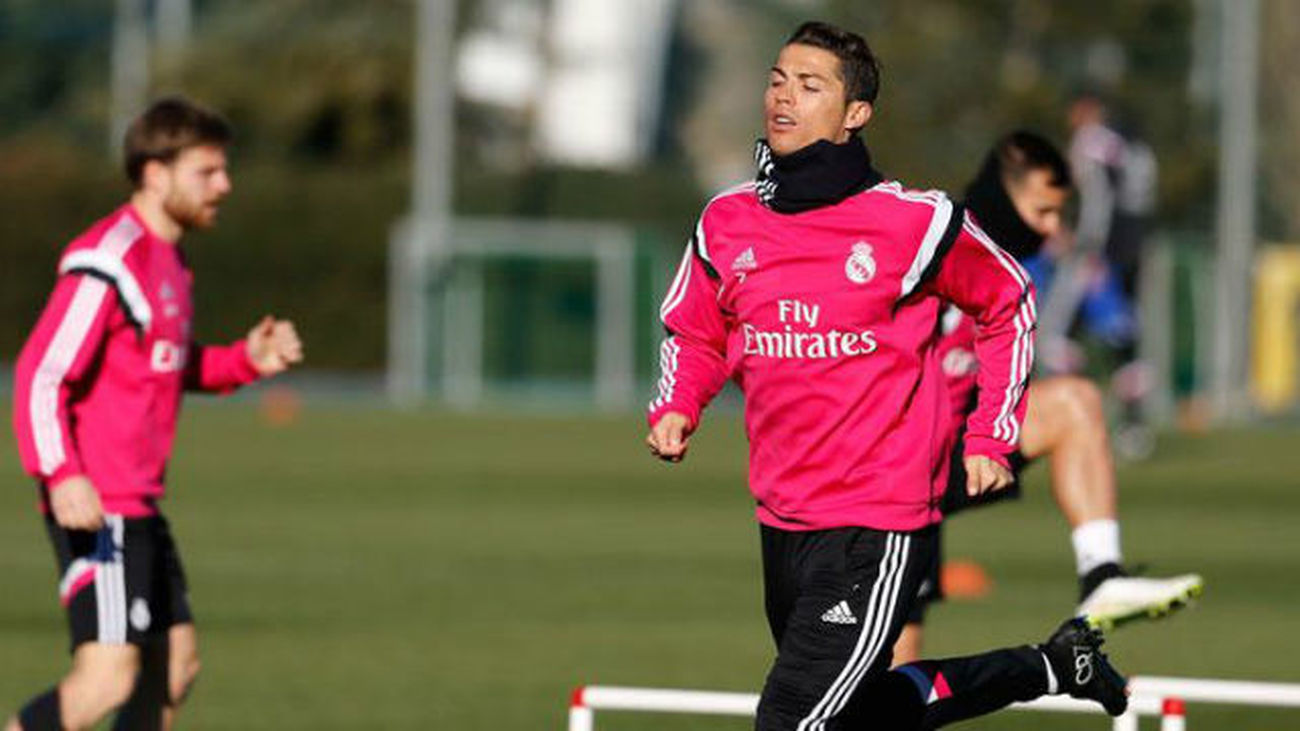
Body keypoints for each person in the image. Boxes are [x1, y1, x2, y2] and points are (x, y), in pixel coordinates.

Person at [645, 22, 1126, 730]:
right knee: (863, 712)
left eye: (810, 87)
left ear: (855, 115)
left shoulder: (913, 223)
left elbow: (1008, 300)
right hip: (781, 516)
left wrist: (992, 434)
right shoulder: (727, 219)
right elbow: (696, 325)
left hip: (877, 522)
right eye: (778, 80)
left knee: (790, 720)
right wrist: (680, 400)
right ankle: (1057, 663)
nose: (783, 97)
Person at [7, 97, 303, 731]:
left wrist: (245, 360)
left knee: (173, 670)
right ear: (154, 173)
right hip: (99, 504)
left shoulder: (170, 262)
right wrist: (61, 473)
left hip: (138, 504)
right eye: (207, 171)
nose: (224, 185)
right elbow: (41, 373)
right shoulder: (109, 259)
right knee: (106, 679)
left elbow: (167, 365)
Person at [891, 131, 1202, 665]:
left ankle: (1101, 574)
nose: (1054, 227)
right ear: (1002, 196)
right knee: (893, 665)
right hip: (886, 474)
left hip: (954, 453)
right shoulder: (936, 244)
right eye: (1044, 210)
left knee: (1076, 402)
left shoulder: (1022, 267)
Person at [1036, 92, 1157, 457]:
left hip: (1097, 255)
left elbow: (1099, 202)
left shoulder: (1091, 143)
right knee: (1122, 338)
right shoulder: (1133, 147)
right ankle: (1133, 429)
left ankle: (1069, 421)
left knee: (1056, 333)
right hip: (1130, 252)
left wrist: (1086, 245)